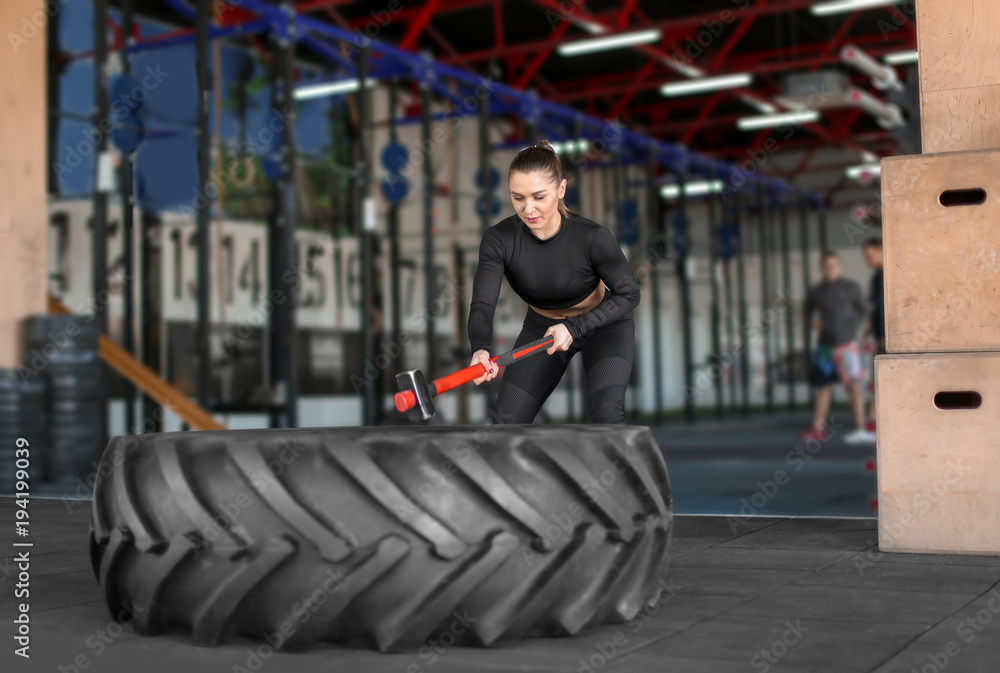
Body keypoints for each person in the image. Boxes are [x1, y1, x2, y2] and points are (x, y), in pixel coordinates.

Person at [466, 140, 640, 424]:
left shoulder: (593, 237)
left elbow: (629, 294)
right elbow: (483, 304)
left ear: (561, 189)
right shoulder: (499, 240)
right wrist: (480, 348)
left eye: (539, 197)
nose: (528, 209)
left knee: (607, 414)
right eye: (518, 197)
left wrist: (575, 327)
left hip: (603, 324)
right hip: (542, 329)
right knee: (506, 421)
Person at [802, 251, 875, 444]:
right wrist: (812, 322)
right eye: (826, 266)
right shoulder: (816, 291)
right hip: (825, 346)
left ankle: (861, 428)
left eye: (833, 265)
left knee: (853, 386)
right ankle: (817, 428)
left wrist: (852, 327)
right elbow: (807, 313)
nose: (830, 269)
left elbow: (865, 310)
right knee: (823, 386)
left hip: (846, 345)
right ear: (821, 268)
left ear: (840, 267)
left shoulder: (851, 288)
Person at [861, 237, 884, 432]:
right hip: (879, 338)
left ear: (881, 251)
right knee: (878, 380)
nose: (866, 259)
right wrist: (869, 329)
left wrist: (883, 339)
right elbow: (874, 308)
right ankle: (871, 421)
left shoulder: (890, 275)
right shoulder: (876, 277)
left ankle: (872, 421)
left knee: (882, 380)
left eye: (869, 255)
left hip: (888, 340)